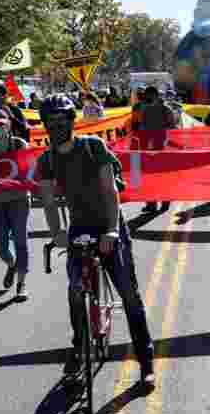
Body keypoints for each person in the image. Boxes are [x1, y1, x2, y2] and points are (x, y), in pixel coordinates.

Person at [36, 95, 156, 388]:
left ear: (71, 122)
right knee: (76, 290)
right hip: (79, 227)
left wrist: (112, 231)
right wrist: (57, 234)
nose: (56, 126)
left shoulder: (93, 147)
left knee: (129, 295)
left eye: (62, 121)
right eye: (50, 122)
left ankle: (146, 361)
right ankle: (78, 347)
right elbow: (50, 203)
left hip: (108, 223)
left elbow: (109, 191)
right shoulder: (47, 159)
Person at [0, 107, 31, 300]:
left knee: (21, 242)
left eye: (1, 126)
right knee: (0, 246)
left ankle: (21, 283)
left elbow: (29, 170)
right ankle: (12, 265)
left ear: (9, 126)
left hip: (18, 199)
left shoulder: (20, 144)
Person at [135, 86, 176, 213]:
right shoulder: (143, 108)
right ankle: (151, 203)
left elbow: (172, 128)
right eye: (147, 96)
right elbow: (141, 126)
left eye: (151, 96)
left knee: (163, 177)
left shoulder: (166, 109)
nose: (148, 98)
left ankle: (165, 201)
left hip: (162, 147)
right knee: (148, 177)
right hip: (146, 147)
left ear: (157, 96)